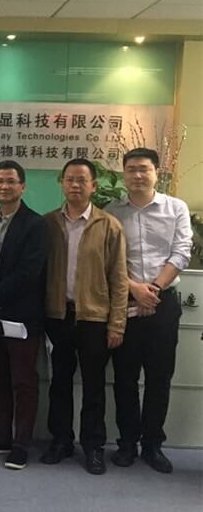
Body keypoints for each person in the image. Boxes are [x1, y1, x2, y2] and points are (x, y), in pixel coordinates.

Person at [106, 148, 192, 474]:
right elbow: (107, 259)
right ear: (124, 174)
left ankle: (153, 443)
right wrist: (135, 290)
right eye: (131, 169)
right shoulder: (111, 212)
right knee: (125, 377)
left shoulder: (176, 208)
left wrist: (152, 290)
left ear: (157, 172)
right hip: (124, 301)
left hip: (162, 302)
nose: (138, 175)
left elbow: (181, 252)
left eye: (144, 169)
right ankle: (127, 443)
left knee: (159, 377)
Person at [41, 158, 128, 475]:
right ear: (62, 184)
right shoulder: (48, 224)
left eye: (81, 180)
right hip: (58, 316)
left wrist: (117, 323)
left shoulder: (109, 225)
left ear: (93, 186)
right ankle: (61, 440)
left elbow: (119, 279)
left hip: (95, 319)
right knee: (59, 383)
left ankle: (93, 447)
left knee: (94, 386)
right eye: (69, 179)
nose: (75, 185)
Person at [0, 160, 47, 471]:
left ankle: (21, 444)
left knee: (23, 382)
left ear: (22, 187)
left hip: (22, 318)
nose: (5, 186)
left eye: (11, 181)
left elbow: (29, 273)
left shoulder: (36, 225)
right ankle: (0, 436)